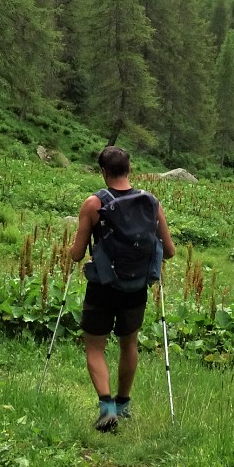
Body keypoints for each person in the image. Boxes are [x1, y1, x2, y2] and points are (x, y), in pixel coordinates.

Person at [69, 145, 175, 432]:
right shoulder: (152, 203)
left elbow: (78, 254)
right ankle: (124, 404)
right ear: (130, 169)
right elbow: (170, 251)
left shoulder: (94, 204)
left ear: (103, 172)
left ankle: (106, 408)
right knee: (129, 343)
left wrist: (72, 248)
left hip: (103, 286)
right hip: (136, 287)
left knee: (94, 346)